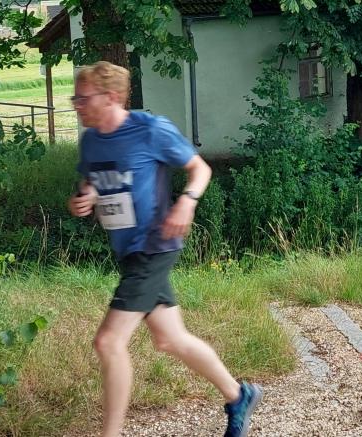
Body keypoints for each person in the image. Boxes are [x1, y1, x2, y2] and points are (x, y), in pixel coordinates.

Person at [66, 62, 261, 437]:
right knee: (169, 339)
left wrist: (187, 202)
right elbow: (92, 181)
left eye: (83, 98)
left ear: (111, 97)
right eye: (75, 98)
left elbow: (200, 169)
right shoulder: (91, 140)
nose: (77, 105)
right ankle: (239, 395)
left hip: (154, 243)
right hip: (128, 251)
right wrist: (84, 197)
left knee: (108, 342)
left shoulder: (150, 130)